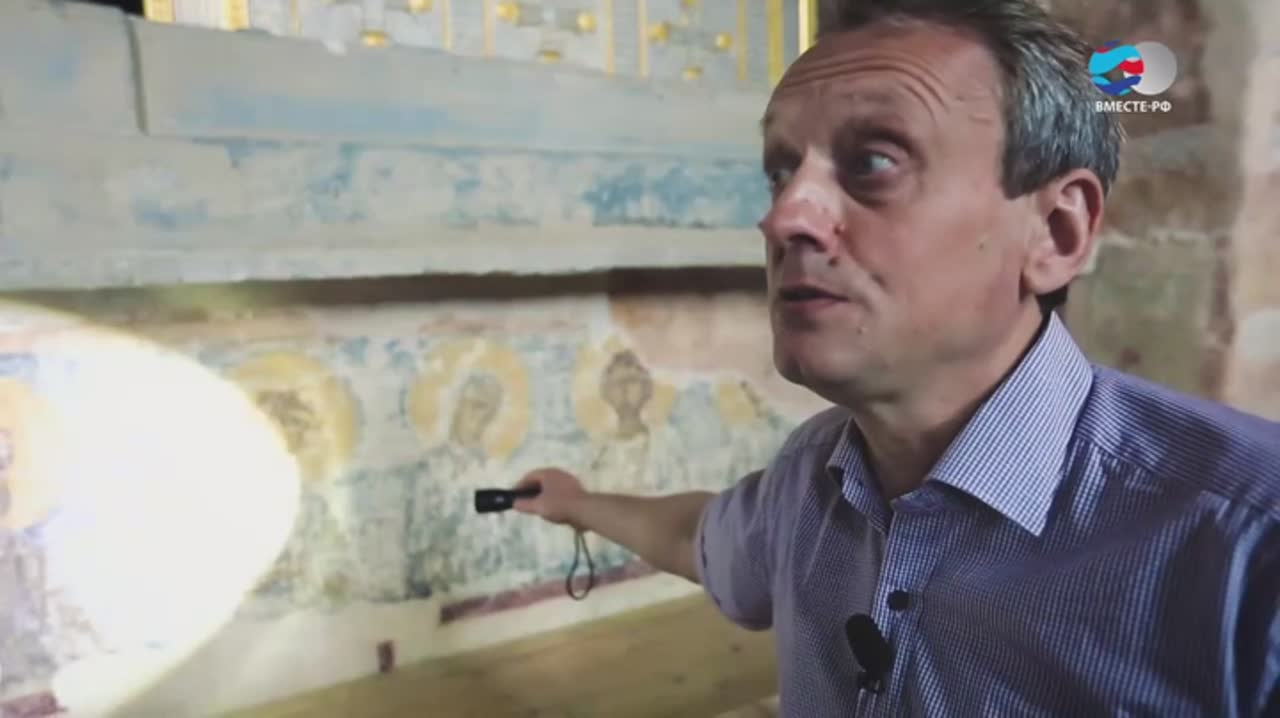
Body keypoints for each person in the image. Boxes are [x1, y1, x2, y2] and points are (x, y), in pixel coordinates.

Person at [512, 0, 1280, 715]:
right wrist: (576, 503)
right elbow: (701, 538)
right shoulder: (812, 477)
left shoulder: (1249, 548)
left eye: (874, 162)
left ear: (1055, 233)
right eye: (781, 172)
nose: (783, 217)